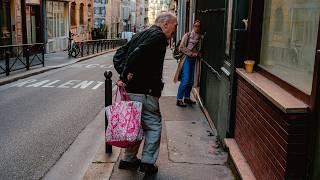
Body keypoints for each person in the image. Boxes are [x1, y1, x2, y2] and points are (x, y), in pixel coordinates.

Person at [115, 12, 177, 175]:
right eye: (174, 26)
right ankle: (148, 163)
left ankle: (128, 159)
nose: (174, 30)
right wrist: (125, 73)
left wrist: (124, 74)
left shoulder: (140, 34)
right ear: (165, 23)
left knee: (136, 124)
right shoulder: (158, 37)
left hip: (132, 90)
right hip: (146, 91)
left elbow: (119, 54)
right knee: (153, 125)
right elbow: (138, 53)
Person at [174, 20, 202, 107]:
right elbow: (181, 47)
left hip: (195, 61)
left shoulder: (200, 38)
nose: (197, 28)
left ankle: (187, 98)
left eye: (199, 26)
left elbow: (200, 50)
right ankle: (179, 99)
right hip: (186, 59)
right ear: (193, 26)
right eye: (195, 26)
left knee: (191, 81)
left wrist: (198, 54)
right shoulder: (187, 35)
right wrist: (191, 53)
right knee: (185, 80)